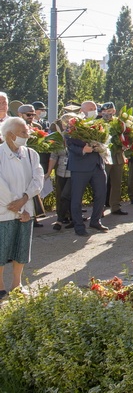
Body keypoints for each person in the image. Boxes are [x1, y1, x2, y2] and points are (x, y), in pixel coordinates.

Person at [0, 117, 42, 298]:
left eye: (27, 131)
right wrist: (17, 208)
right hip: (4, 211)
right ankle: (0, 285)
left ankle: (16, 284)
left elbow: (38, 179)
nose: (27, 135)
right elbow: (1, 187)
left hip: (26, 210)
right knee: (2, 248)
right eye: (23, 132)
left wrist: (25, 198)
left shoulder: (31, 154)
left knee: (21, 248)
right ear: (10, 135)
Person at [66, 103, 110, 236]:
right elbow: (68, 143)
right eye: (90, 109)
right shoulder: (73, 124)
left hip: (97, 165)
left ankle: (96, 221)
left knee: (101, 194)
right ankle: (79, 227)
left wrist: (102, 147)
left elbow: (105, 140)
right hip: (80, 166)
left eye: (94, 109)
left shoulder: (99, 123)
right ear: (82, 110)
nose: (93, 111)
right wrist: (82, 150)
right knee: (77, 198)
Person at [99, 102, 129, 217]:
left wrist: (126, 144)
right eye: (105, 111)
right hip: (104, 156)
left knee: (116, 183)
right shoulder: (99, 123)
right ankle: (100, 208)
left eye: (110, 111)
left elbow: (127, 136)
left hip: (117, 156)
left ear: (114, 111)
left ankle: (115, 206)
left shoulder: (120, 123)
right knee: (102, 183)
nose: (107, 113)